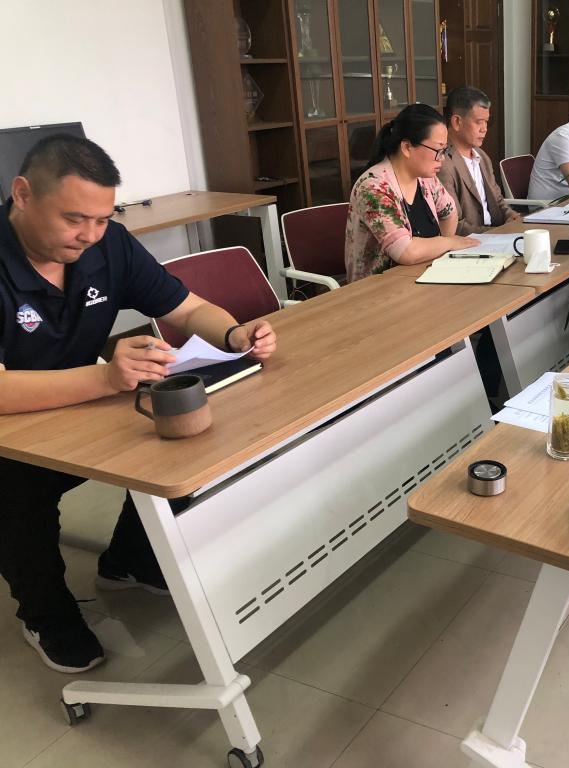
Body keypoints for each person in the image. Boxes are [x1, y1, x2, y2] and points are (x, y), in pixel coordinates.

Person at [0, 135, 277, 673]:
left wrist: (234, 333)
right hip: (13, 426)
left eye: (102, 219)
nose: (89, 235)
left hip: (80, 404)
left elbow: (187, 308)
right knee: (16, 491)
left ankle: (130, 560)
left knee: (184, 435)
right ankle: (45, 613)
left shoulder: (110, 245)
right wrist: (105, 378)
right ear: (23, 194)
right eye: (74, 219)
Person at [345, 103, 478, 282]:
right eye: (438, 150)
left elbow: (449, 212)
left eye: (445, 150)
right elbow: (405, 251)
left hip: (422, 277)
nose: (442, 158)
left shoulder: (425, 178)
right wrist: (448, 242)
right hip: (379, 289)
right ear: (407, 147)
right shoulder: (374, 187)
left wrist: (442, 253)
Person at [437, 86, 521, 235]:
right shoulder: (442, 163)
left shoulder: (482, 156)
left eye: (486, 122)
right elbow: (455, 225)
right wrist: (499, 233)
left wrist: (510, 216)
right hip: (471, 242)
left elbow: (498, 201)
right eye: (479, 122)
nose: (484, 129)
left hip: (496, 234)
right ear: (457, 122)